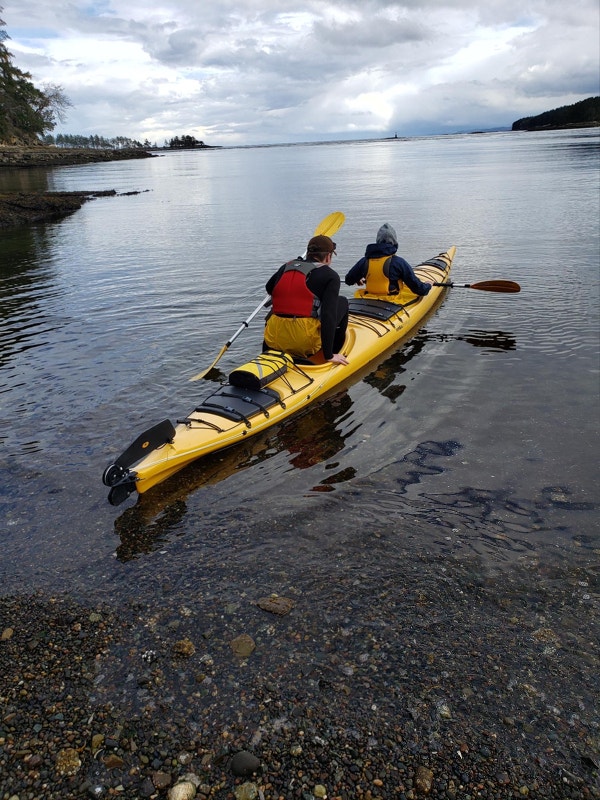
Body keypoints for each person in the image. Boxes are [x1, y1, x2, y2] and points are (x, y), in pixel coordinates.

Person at [264, 234, 349, 365]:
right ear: (328, 256)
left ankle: (267, 353)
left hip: (273, 339)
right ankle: (334, 353)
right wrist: (328, 355)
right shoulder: (331, 276)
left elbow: (269, 288)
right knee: (342, 301)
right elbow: (328, 316)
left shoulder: (286, 267)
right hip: (304, 344)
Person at [344, 223, 432, 298]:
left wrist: (357, 279)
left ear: (377, 241)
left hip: (369, 298)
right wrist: (428, 285)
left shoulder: (364, 261)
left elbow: (348, 280)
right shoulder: (398, 262)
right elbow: (419, 290)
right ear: (394, 242)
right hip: (392, 300)